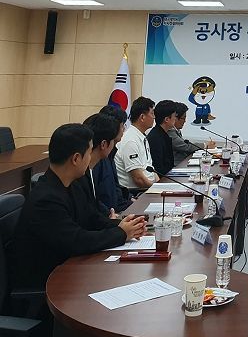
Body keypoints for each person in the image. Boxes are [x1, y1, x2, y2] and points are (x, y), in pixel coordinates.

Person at [7, 124, 146, 291]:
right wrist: (121, 234)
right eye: (89, 152)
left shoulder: (72, 184)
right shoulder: (46, 200)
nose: (91, 158)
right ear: (76, 159)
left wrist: (126, 226)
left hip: (69, 270)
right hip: (46, 284)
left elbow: (91, 217)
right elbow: (77, 240)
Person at [78, 113, 124, 217]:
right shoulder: (80, 174)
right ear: (103, 144)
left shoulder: (91, 167)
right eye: (113, 141)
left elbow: (94, 204)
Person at [93, 105, 133, 213]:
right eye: (122, 125)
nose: (124, 129)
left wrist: (129, 199)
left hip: (117, 208)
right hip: (109, 214)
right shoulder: (98, 157)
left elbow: (115, 188)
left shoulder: (110, 152)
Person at [115, 96, 159, 192]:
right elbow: (139, 180)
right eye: (152, 113)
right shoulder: (131, 140)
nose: (154, 117)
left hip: (148, 188)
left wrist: (161, 186)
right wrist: (158, 189)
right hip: (136, 192)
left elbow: (150, 169)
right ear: (142, 117)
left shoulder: (141, 136)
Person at [146, 99, 177, 175]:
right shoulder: (155, 138)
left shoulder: (163, 134)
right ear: (167, 119)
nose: (175, 119)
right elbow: (159, 168)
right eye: (174, 116)